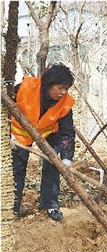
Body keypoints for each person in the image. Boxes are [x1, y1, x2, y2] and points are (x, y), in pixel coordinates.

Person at [11, 63, 75, 221]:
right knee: (16, 169)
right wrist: (6, 133)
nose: (63, 92)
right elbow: (4, 106)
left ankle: (50, 204)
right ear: (49, 83)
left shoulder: (65, 102)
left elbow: (67, 131)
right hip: (19, 134)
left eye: (66, 88)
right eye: (60, 88)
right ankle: (13, 207)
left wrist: (66, 157)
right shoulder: (25, 88)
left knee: (53, 166)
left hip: (47, 134)